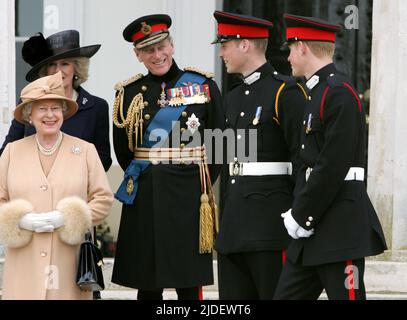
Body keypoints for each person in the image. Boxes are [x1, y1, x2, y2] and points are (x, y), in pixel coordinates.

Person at [111, 14, 225, 300]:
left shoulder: (202, 86)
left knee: (189, 285)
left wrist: (196, 183)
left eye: (162, 46)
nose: (157, 55)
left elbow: (220, 145)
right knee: (147, 286)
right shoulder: (128, 93)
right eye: (148, 50)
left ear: (172, 46)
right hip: (146, 198)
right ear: (138, 55)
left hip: (189, 198)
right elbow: (124, 152)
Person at [274, 14, 387, 300]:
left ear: (302, 48)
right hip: (312, 230)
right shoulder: (317, 92)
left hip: (340, 228)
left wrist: (302, 215)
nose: (287, 57)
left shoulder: (339, 93)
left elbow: (333, 165)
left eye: (290, 49)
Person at [211, 11, 307, 299]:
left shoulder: (284, 92)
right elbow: (227, 159)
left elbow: (303, 159)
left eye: (224, 45)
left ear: (245, 45)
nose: (221, 53)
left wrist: (298, 217)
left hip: (269, 227)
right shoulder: (234, 96)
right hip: (234, 227)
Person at [0, 72, 114, 300]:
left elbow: (103, 199)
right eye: (42, 108)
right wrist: (19, 220)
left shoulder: (85, 151)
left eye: (55, 108)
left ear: (63, 112)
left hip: (68, 263)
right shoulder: (13, 151)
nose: (50, 115)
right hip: (24, 263)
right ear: (29, 114)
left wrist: (70, 218)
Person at [0, 30, 112, 172]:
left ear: (76, 68)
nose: (58, 71)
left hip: (77, 190)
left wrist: (71, 175)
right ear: (45, 70)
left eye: (65, 64)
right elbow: (8, 151)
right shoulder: (29, 101)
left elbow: (104, 160)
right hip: (34, 186)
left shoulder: (97, 107)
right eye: (52, 64)